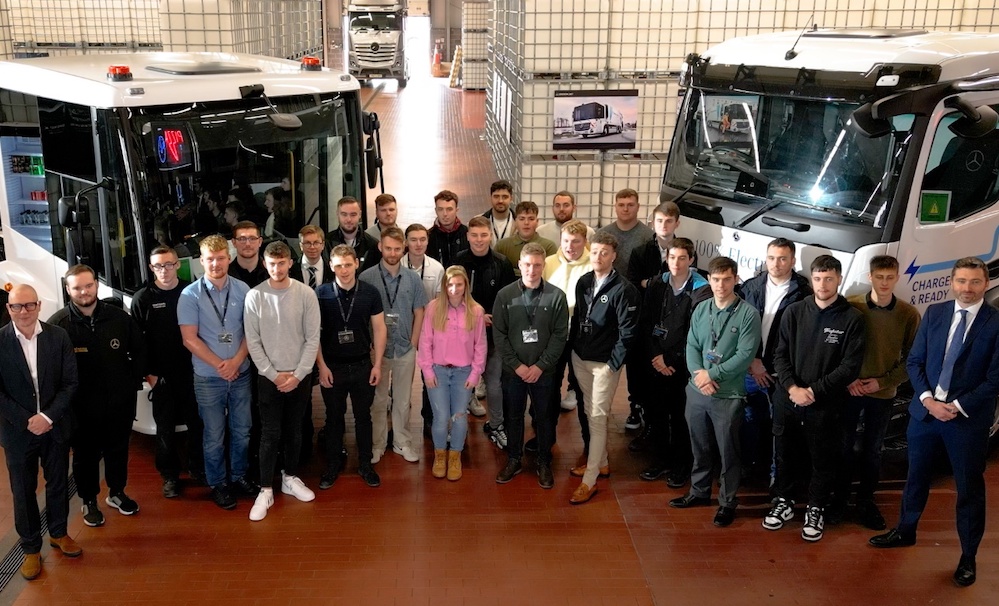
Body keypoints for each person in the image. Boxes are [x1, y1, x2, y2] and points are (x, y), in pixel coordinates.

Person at [870, 257, 999, 588]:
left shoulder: (995, 322)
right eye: (961, 281)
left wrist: (955, 406)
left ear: (985, 284)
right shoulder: (935, 313)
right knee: (916, 477)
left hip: (965, 421)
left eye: (974, 282)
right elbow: (914, 361)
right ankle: (905, 530)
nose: (967, 288)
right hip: (925, 414)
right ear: (951, 282)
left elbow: (995, 378)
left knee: (968, 489)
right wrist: (928, 400)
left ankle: (968, 557)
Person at [764, 255, 865, 542]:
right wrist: (792, 388)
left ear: (839, 279)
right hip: (788, 399)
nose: (822, 284)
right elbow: (779, 355)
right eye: (818, 278)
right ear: (812, 279)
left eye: (829, 279)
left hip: (826, 404)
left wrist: (814, 391)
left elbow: (849, 367)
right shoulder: (794, 311)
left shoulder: (852, 318)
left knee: (822, 458)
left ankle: (815, 507)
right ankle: (783, 501)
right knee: (784, 454)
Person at [48, 265, 146, 526]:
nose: (84, 292)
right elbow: (51, 369)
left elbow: (139, 351)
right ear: (68, 290)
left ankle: (117, 493)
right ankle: (89, 500)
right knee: (85, 454)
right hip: (80, 407)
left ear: (97, 285)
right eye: (77, 288)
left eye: (88, 285)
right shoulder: (58, 325)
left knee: (118, 449)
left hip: (119, 403)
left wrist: (131, 384)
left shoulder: (119, 318)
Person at [667, 256, 760, 527]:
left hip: (727, 395)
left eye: (727, 280)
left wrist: (712, 375)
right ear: (709, 280)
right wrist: (700, 375)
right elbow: (692, 345)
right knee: (699, 445)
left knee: (728, 452)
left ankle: (727, 502)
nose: (721, 285)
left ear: (736, 280)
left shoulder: (748, 314)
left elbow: (745, 355)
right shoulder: (701, 308)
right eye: (716, 280)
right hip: (697, 390)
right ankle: (699, 491)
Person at [830, 255, 919, 528]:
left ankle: (866, 502)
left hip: (882, 394)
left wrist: (883, 382)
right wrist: (849, 379)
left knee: (873, 451)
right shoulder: (852, 305)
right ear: (870, 277)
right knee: (842, 447)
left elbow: (913, 359)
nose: (884, 282)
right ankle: (839, 500)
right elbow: (836, 349)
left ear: (897, 278)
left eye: (890, 277)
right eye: (879, 277)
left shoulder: (908, 314)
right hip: (850, 390)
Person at [0, 285, 80, 580]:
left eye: (29, 305)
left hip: (54, 426)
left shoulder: (58, 337)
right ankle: (31, 548)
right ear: (8, 309)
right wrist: (27, 421)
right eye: (17, 306)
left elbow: (70, 382)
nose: (24, 311)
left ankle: (59, 533)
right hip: (17, 432)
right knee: (23, 490)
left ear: (38, 305)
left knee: (58, 483)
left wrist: (46, 416)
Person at [178, 235, 259, 511]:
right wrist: (220, 365)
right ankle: (218, 483)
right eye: (210, 259)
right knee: (213, 435)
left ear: (229, 258)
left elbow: (251, 332)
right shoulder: (190, 295)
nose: (216, 264)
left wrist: (236, 361)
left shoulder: (244, 290)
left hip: (240, 373)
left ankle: (238, 476)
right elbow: (189, 338)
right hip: (208, 377)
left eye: (221, 258)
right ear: (201, 261)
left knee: (243, 430)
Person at [244, 241, 321, 521]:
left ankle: (290, 477)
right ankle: (265, 489)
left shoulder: (306, 294)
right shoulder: (254, 296)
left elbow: (313, 338)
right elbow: (253, 341)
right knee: (270, 433)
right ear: (265, 264)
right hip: (269, 377)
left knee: (294, 430)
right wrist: (273, 374)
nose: (277, 268)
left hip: (299, 376)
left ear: (290, 263)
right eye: (272, 263)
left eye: (282, 263)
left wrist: (298, 375)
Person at [568, 231, 639, 504]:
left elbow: (627, 333)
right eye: (595, 251)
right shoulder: (584, 282)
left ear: (614, 256)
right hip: (580, 359)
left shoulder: (624, 290)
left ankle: (590, 480)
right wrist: (573, 351)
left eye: (604, 253)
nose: (598, 256)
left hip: (604, 366)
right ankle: (603, 462)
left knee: (597, 417)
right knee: (589, 411)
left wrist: (612, 365)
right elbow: (578, 319)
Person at [131, 246, 205, 498]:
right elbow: (137, 343)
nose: (164, 270)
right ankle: (169, 476)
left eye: (169, 264)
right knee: (165, 429)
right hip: (161, 377)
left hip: (193, 372)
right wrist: (149, 375)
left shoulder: (191, 291)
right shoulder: (142, 298)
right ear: (151, 268)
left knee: (197, 424)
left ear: (177, 265)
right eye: (158, 266)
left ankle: (198, 468)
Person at [493, 243, 569, 488]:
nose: (532, 270)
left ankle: (544, 461)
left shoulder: (557, 296)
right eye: (527, 264)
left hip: (543, 372)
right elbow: (499, 335)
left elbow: (560, 335)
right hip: (513, 371)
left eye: (537, 265)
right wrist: (517, 366)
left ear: (544, 265)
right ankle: (514, 459)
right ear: (519, 264)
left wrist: (540, 366)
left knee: (545, 417)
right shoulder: (505, 295)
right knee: (513, 416)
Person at [635, 238, 709, 487]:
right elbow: (646, 322)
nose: (676, 263)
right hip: (655, 361)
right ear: (666, 259)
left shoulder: (701, 290)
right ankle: (660, 460)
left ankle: (681, 465)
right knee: (656, 414)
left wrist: (670, 358)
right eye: (672, 257)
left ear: (692, 260)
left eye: (682, 258)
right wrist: (656, 356)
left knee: (680, 418)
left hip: (682, 365)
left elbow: (696, 333)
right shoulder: (658, 284)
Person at [737, 238, 812, 484]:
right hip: (750, 369)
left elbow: (800, 340)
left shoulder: (803, 294)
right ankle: (748, 467)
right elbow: (740, 329)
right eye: (771, 258)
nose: (776, 264)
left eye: (782, 259)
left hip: (781, 375)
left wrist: (776, 368)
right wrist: (753, 361)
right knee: (748, 420)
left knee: (779, 429)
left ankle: (775, 477)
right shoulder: (750, 287)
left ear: (793, 261)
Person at [316, 245, 387, 489]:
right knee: (333, 418)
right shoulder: (321, 293)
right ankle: (333, 464)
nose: (344, 270)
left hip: (362, 364)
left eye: (348, 264)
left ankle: (365, 464)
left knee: (363, 417)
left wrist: (377, 364)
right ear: (331, 266)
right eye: (338, 265)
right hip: (332, 366)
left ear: (357, 263)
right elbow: (313, 334)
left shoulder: (370, 292)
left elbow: (379, 328)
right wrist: (321, 366)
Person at [360, 227, 428, 464]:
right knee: (378, 400)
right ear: (380, 247)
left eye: (397, 249)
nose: (392, 253)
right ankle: (377, 443)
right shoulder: (366, 277)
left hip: (404, 348)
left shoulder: (412, 279)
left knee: (402, 399)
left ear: (404, 249)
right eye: (388, 248)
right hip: (376, 352)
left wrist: (414, 342)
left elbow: (419, 312)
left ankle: (402, 441)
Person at [417, 266, 487, 481]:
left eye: (459, 284)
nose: (454, 289)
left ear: (466, 285)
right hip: (438, 371)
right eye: (450, 285)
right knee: (440, 417)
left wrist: (475, 374)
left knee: (459, 416)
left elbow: (480, 346)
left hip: (463, 373)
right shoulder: (433, 308)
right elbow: (425, 341)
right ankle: (440, 455)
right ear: (444, 286)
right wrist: (427, 371)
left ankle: (455, 455)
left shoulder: (476, 311)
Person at [455, 215, 517, 442]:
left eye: (483, 235)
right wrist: (476, 315)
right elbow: (452, 296)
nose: (479, 240)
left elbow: (510, 299)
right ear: (468, 236)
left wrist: (493, 318)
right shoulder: (458, 262)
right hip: (463, 334)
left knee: (493, 382)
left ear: (490, 235)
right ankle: (458, 424)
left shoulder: (502, 263)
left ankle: (497, 424)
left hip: (494, 333)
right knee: (462, 381)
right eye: (474, 235)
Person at [598, 188, 653, 431]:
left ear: (638, 207)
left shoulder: (647, 236)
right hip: (606, 307)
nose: (626, 208)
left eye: (630, 204)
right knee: (604, 360)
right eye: (621, 204)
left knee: (634, 362)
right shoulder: (604, 234)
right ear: (615, 206)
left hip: (635, 307)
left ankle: (635, 407)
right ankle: (599, 407)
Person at [542, 220, 591, 417]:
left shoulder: (592, 265)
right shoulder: (548, 263)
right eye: (566, 241)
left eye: (576, 241)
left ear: (585, 241)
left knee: (580, 379)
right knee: (552, 378)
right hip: (554, 331)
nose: (570, 246)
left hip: (581, 331)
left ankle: (574, 395)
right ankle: (546, 421)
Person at [403, 223, 446, 434]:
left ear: (428, 241)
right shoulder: (397, 265)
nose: (418, 244)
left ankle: (429, 418)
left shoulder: (437, 268)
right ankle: (400, 421)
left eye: (422, 239)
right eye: (413, 239)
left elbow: (440, 302)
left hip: (429, 329)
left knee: (429, 375)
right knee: (402, 375)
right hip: (403, 328)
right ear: (406, 242)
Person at [494, 201, 558, 274]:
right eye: (522, 219)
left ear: (537, 222)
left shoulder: (549, 247)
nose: (526, 223)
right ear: (516, 222)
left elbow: (551, 273)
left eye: (531, 219)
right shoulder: (502, 246)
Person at [326, 196, 381, 272]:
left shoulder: (372, 244)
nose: (349, 219)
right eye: (344, 214)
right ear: (337, 214)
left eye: (353, 215)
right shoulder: (326, 243)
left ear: (360, 215)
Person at [427, 189, 469, 268]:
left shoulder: (467, 234)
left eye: (449, 209)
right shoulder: (429, 237)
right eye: (440, 209)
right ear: (436, 211)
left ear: (456, 210)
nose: (445, 214)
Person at [228, 220, 268, 287]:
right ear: (234, 243)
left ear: (260, 242)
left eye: (252, 239)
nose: (247, 244)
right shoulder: (226, 275)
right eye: (242, 239)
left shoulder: (272, 272)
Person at [481, 179, 515, 246]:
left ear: (511, 199)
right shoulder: (479, 221)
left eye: (505, 197)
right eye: (496, 197)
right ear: (490, 198)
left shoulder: (519, 223)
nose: (500, 201)